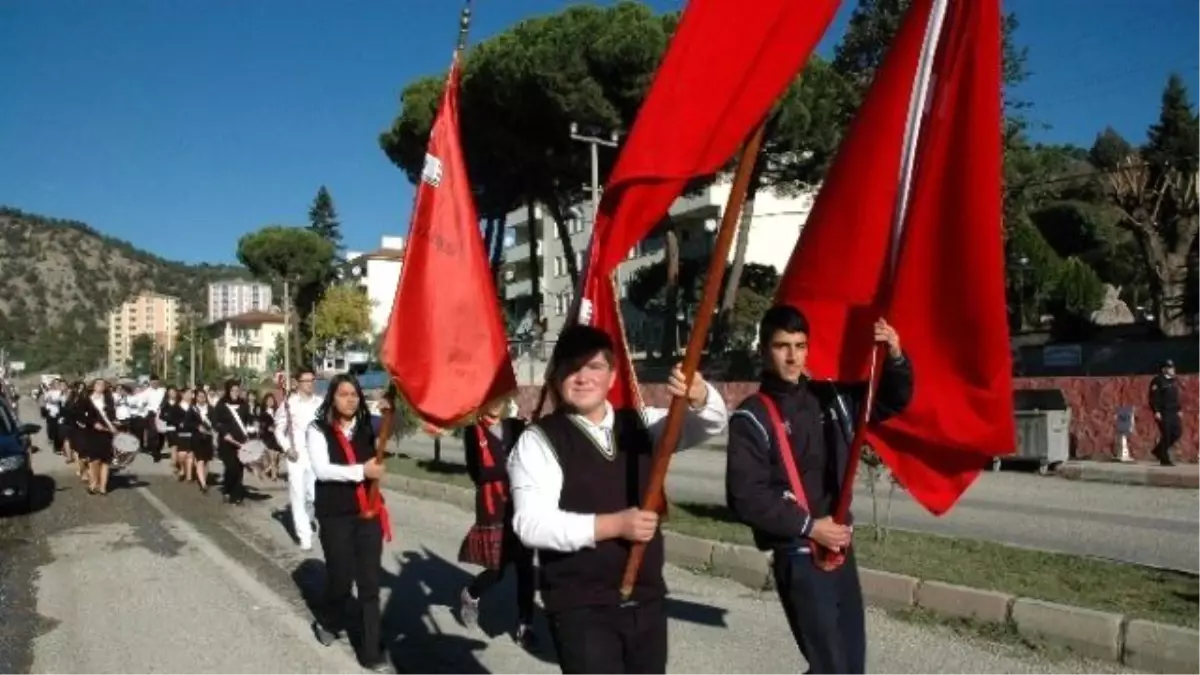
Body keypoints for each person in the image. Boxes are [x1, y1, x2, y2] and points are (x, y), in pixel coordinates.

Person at [507, 324, 729, 675]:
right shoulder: (539, 440)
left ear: (612, 376)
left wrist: (700, 396)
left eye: (594, 367)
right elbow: (530, 525)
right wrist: (614, 525)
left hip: (646, 600)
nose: (582, 378)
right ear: (556, 377)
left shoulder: (643, 423)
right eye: (571, 368)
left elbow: (709, 425)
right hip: (581, 607)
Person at [725, 305, 913, 675]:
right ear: (764, 350)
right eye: (782, 346)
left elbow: (890, 400)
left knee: (850, 666)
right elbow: (745, 496)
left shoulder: (832, 398)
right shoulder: (752, 416)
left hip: (841, 548)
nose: (793, 355)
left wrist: (895, 355)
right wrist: (811, 526)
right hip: (799, 554)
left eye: (800, 345)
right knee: (831, 668)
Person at [306, 373, 391, 672]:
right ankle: (328, 621)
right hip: (335, 514)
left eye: (354, 394)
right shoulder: (317, 429)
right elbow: (322, 469)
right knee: (341, 577)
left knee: (369, 584)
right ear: (332, 397)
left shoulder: (369, 425)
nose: (350, 399)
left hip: (368, 513)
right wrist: (362, 471)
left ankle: (371, 652)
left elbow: (395, 428)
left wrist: (392, 408)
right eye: (343, 394)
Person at [456, 396, 537, 649]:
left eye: (498, 398)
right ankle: (471, 595)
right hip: (492, 508)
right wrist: (510, 467)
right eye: (489, 400)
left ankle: (525, 625)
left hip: (521, 504)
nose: (494, 404)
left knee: (526, 568)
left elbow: (532, 456)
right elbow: (478, 473)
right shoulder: (472, 432)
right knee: (497, 570)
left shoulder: (515, 426)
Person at [275, 368, 322, 550]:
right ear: (297, 383)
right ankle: (304, 536)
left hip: (316, 454)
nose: (310, 384)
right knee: (298, 494)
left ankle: (308, 519)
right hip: (297, 454)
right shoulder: (289, 404)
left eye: (312, 380)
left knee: (313, 495)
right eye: (306, 381)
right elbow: (278, 430)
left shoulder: (320, 403)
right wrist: (287, 448)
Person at [213, 379, 252, 505]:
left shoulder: (243, 404)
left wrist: (251, 434)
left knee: (239, 469)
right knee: (231, 467)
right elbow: (216, 422)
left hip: (241, 442)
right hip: (226, 442)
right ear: (228, 391)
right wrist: (224, 433)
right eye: (233, 390)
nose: (235, 392)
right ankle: (227, 490)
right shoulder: (221, 404)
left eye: (237, 390)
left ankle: (236, 495)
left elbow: (249, 421)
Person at [1149, 359, 1181, 467]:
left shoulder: (1173, 381)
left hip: (1173, 411)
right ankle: (1164, 458)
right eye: (1170, 368)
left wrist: (1179, 409)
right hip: (1164, 412)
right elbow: (1153, 397)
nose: (1173, 370)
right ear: (1164, 369)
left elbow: (1176, 397)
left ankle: (1158, 450)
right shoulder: (1158, 381)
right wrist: (1156, 410)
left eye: (1173, 367)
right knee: (1166, 434)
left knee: (1177, 433)